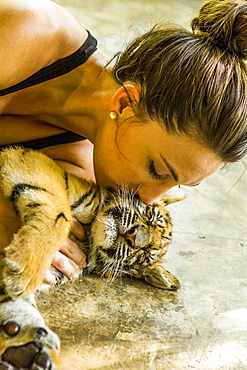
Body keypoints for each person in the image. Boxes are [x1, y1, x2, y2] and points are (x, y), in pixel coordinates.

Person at [0, 0, 246, 285]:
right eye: (156, 169)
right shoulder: (29, 30)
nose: (149, 200)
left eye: (174, 186)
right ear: (125, 102)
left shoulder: (85, 169)